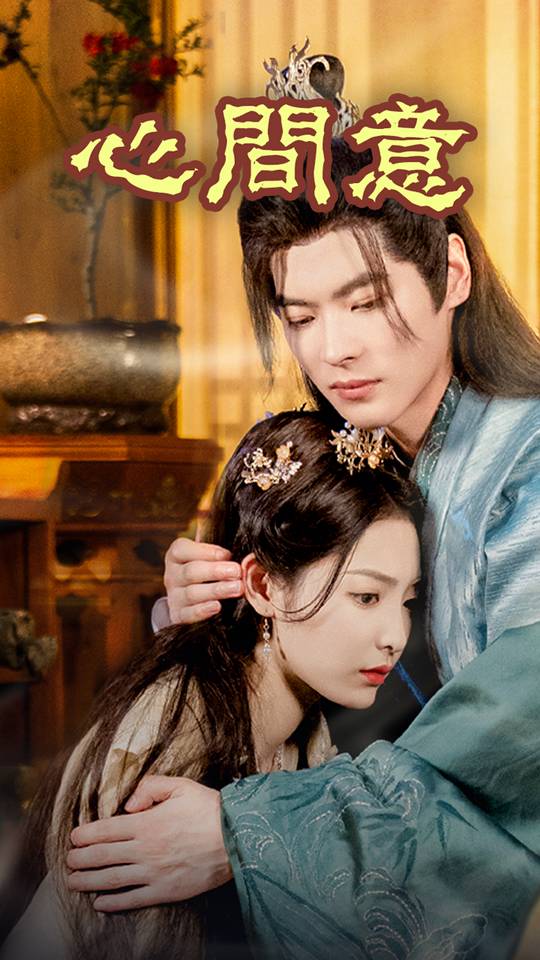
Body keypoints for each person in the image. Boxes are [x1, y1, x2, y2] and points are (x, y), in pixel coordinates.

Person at [65, 138, 540, 959]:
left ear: (453, 274)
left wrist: (244, 835)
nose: (333, 350)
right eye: (301, 317)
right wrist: (214, 614)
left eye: (365, 302)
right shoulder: (348, 454)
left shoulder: (525, 465)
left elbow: (510, 740)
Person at [3, 410, 422, 960]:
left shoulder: (303, 730)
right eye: (366, 597)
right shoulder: (177, 727)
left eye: (407, 600)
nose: (396, 636)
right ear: (263, 586)